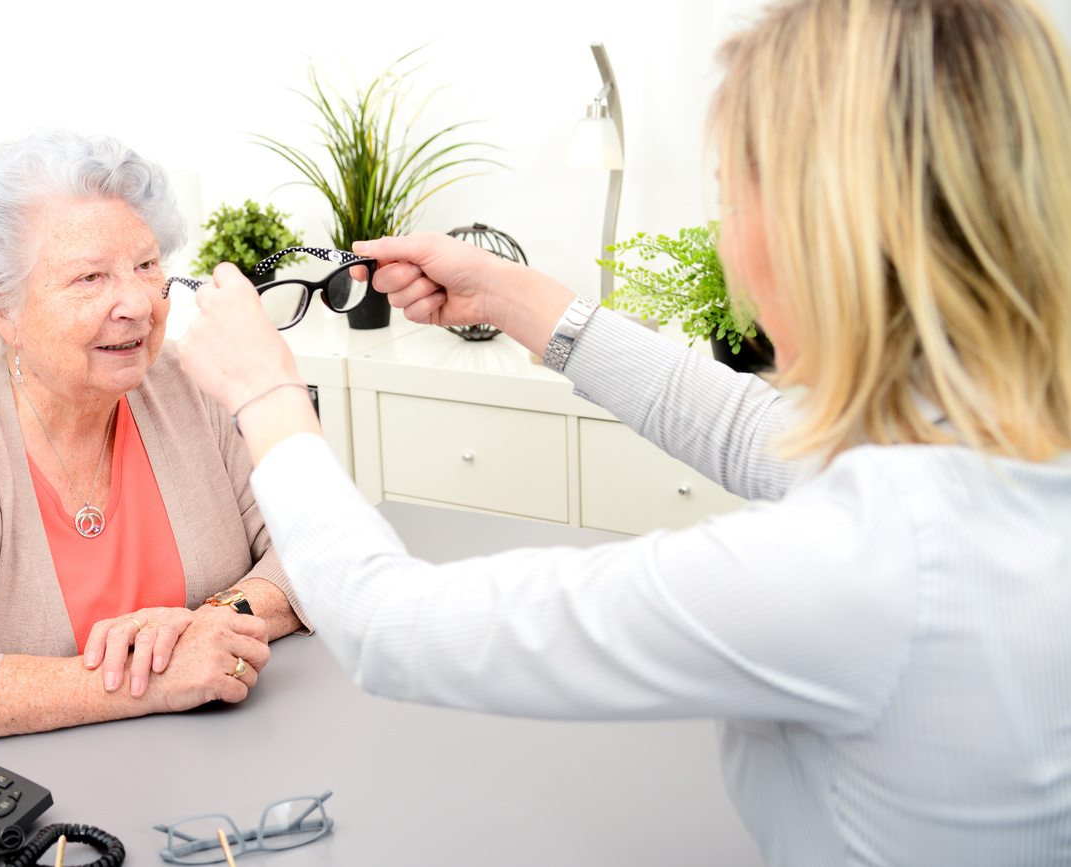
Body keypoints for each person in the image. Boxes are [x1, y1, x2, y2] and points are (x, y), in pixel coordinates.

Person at [175, 0, 1071, 863]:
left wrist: (264, 394)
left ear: (816, 228)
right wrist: (513, 299)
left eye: (731, 194)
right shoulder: (996, 452)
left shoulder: (859, 564)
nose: (725, 237)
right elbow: (755, 429)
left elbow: (391, 627)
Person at [0, 130, 309, 745]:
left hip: (237, 750)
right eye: (90, 278)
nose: (138, 304)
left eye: (146, 265)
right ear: (2, 309)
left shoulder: (186, 383)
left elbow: (312, 550)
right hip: (51, 812)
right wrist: (145, 682)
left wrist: (217, 619)